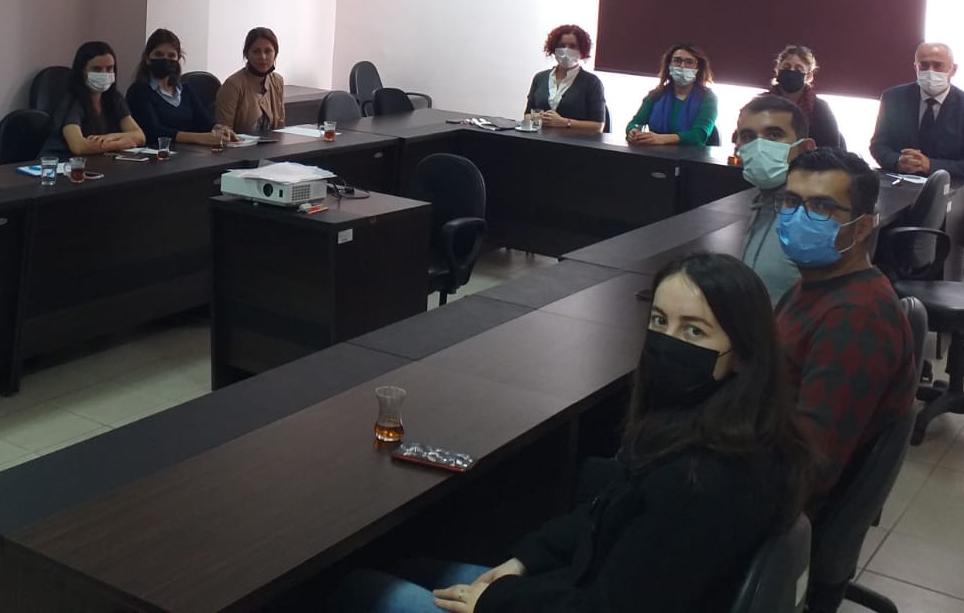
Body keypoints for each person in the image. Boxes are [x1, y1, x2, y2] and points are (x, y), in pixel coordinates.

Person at [330, 254, 812, 613]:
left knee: (356, 589)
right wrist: (522, 563)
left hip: (587, 601)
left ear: (743, 353)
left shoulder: (702, 481)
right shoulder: (715, 429)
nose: (667, 341)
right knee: (406, 563)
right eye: (660, 321)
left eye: (694, 332)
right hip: (581, 585)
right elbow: (602, 515)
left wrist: (496, 600)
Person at [774, 147, 917, 501]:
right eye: (792, 201)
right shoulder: (816, 284)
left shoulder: (857, 318)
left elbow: (811, 467)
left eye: (822, 207)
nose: (800, 217)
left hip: (775, 504)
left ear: (863, 226)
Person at [869, 40, 964, 241]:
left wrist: (930, 165)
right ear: (916, 67)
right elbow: (878, 145)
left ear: (953, 70)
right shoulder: (893, 98)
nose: (930, 72)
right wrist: (897, 161)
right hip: (900, 189)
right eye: (924, 65)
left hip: (953, 192)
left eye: (938, 66)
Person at [735, 95, 816, 307]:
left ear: (805, 148)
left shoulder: (817, 217)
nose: (759, 146)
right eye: (748, 136)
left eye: (773, 135)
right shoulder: (763, 203)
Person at [125, 29, 234, 149]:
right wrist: (199, 138)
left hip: (191, 152)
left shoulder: (185, 89)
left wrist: (219, 128)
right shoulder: (138, 91)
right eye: (159, 55)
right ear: (147, 58)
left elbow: (203, 119)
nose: (165, 59)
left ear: (178, 59)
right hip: (158, 154)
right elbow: (152, 131)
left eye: (171, 55)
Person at [51, 41, 147, 157]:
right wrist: (121, 144)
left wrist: (110, 137)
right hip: (61, 163)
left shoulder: (114, 98)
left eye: (109, 68)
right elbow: (79, 147)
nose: (104, 74)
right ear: (82, 71)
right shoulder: (71, 102)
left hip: (96, 162)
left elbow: (140, 136)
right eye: (97, 69)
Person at [624, 43, 719, 147]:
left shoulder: (708, 98)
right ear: (669, 65)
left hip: (691, 155)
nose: (682, 66)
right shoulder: (656, 95)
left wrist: (662, 139)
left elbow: (698, 136)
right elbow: (635, 123)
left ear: (698, 67)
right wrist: (633, 131)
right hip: (654, 153)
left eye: (689, 62)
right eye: (677, 61)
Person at [757, 44, 843, 151]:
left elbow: (832, 149)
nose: (791, 71)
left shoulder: (820, 108)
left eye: (799, 69)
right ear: (777, 70)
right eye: (786, 67)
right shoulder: (760, 104)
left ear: (809, 76)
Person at [523, 24, 607, 132]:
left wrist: (564, 122)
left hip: (574, 141)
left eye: (572, 46)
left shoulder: (592, 82)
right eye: (561, 45)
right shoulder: (540, 78)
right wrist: (538, 118)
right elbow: (527, 115)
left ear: (582, 50)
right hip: (539, 139)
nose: (566, 50)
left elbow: (598, 126)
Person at [215, 27, 285, 136]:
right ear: (247, 54)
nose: (263, 57)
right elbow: (223, 131)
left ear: (275, 54)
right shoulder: (233, 85)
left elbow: (280, 126)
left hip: (273, 145)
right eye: (256, 51)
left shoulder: (277, 81)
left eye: (268, 51)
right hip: (239, 145)